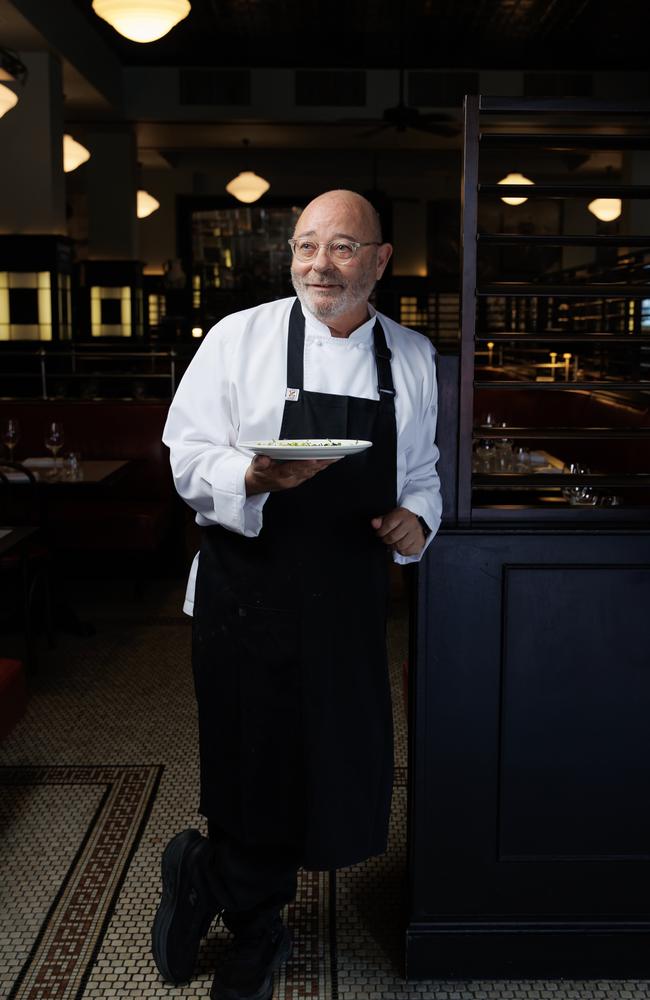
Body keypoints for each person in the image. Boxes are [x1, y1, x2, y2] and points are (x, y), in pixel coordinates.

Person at [153, 189, 442, 1000]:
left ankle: (207, 868)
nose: (319, 263)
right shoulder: (236, 339)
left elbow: (422, 473)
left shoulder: (412, 358)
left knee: (333, 766)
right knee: (254, 763)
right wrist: (251, 472)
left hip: (348, 602)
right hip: (246, 593)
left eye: (343, 247)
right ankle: (254, 925)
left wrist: (419, 520)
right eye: (306, 245)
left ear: (380, 261)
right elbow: (185, 455)